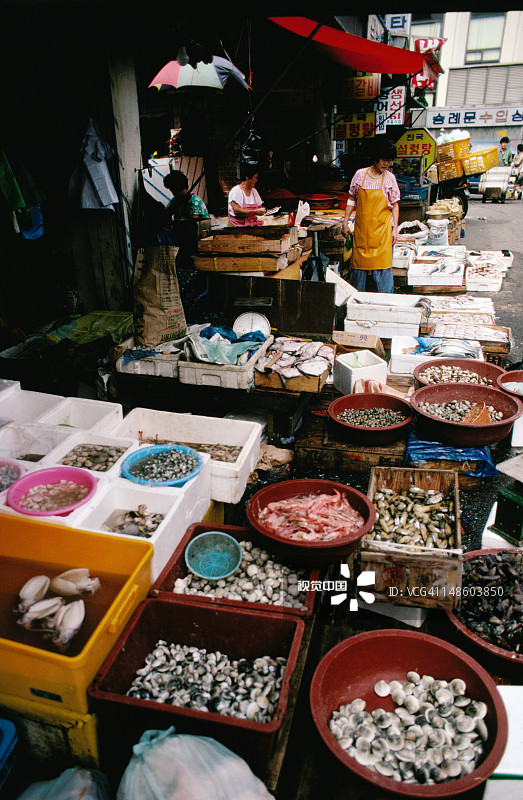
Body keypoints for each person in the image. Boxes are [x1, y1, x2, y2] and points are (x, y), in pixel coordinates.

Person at [341, 140, 400, 293]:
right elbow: (351, 198)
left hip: (382, 234)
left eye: (389, 160)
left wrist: (395, 229)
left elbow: (395, 205)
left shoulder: (390, 178)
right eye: (384, 159)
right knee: (357, 273)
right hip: (362, 232)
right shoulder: (360, 175)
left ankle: (386, 303)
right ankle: (355, 302)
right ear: (376, 158)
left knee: (383, 272)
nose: (386, 164)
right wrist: (345, 222)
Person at [163, 170, 210, 267]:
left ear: (178, 188)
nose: (172, 193)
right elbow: (166, 214)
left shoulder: (194, 202)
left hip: (195, 244)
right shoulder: (175, 201)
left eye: (173, 190)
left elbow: (191, 226)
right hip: (180, 242)